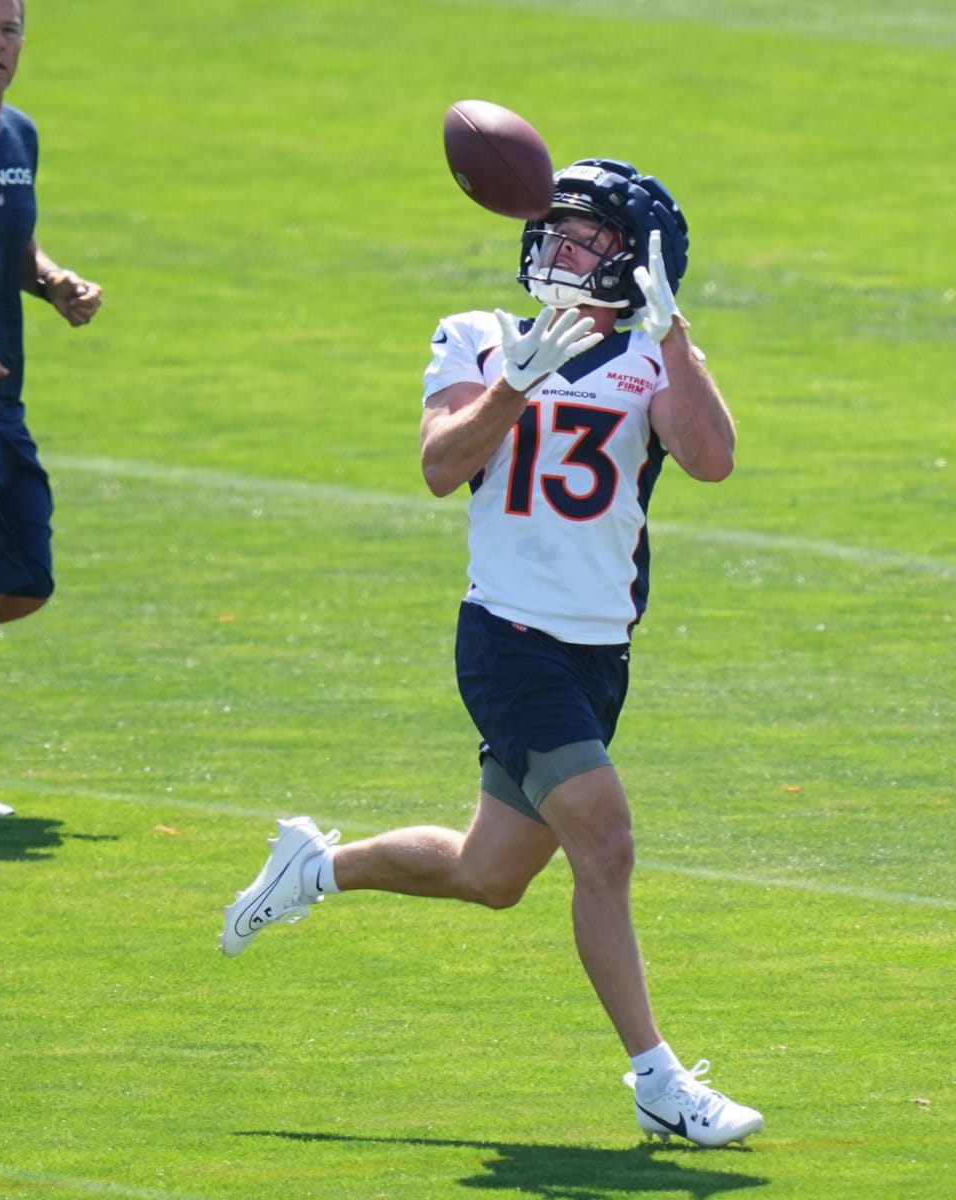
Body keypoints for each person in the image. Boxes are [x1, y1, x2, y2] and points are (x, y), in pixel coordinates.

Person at [220, 158, 764, 1147]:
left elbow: (713, 459)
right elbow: (440, 466)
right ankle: (658, 1080)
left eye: (589, 234)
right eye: (554, 225)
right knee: (606, 842)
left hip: (599, 653)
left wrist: (673, 334)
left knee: (492, 873)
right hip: (509, 639)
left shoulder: (651, 356)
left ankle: (316, 869)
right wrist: (515, 384)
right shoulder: (480, 337)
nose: (560, 243)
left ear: (637, 258)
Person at [0, 0, 102, 817]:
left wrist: (52, 281)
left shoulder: (17, 137)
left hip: (0, 390)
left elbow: (13, 239)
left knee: (23, 579)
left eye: (10, 30)